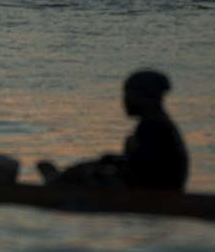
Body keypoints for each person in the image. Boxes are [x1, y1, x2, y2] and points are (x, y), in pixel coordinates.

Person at [39, 69, 189, 192]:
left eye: (129, 95)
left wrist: (97, 168)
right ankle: (57, 180)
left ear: (146, 97)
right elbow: (143, 165)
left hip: (153, 194)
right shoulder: (157, 126)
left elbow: (140, 173)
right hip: (153, 190)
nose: (125, 101)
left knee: (78, 173)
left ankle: (55, 184)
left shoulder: (153, 128)